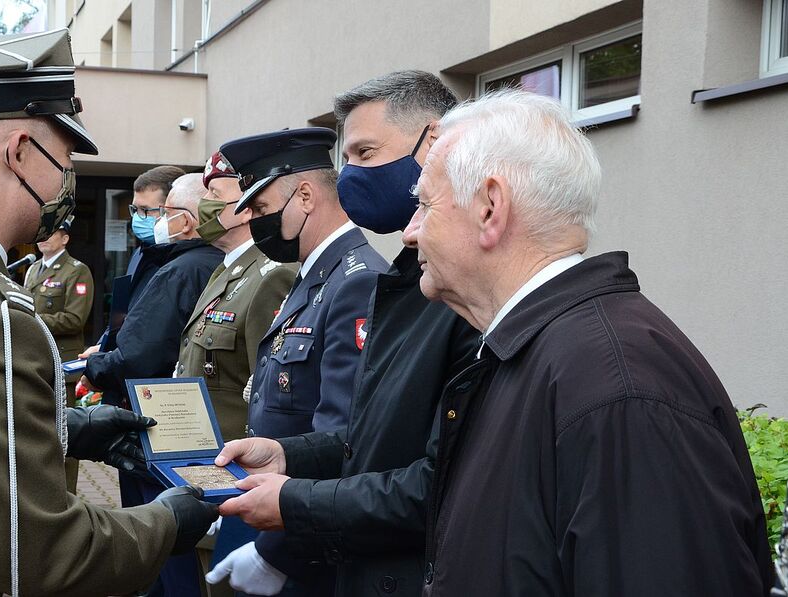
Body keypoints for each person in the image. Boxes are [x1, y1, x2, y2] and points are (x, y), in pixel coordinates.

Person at [0, 29, 218, 596]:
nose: (67, 180)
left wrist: (67, 430)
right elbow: (41, 556)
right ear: (19, 152)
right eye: (64, 159)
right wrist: (166, 522)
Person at [406, 88, 770, 595]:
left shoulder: (617, 387)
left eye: (425, 205)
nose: (410, 232)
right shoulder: (540, 356)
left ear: (490, 207)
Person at [214, 70, 478, 597]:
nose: (349, 174)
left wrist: (284, 537)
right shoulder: (407, 276)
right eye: (347, 156)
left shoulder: (446, 290)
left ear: (435, 142)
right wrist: (289, 456)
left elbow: (434, 477)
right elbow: (374, 436)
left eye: (364, 152)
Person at [207, 128, 388, 596]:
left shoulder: (356, 281)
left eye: (262, 209)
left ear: (305, 196)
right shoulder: (315, 275)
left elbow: (344, 440)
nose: (256, 223)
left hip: (305, 545)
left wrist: (276, 555)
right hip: (275, 511)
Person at [177, 152, 297, 597]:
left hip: (236, 472)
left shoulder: (270, 276)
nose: (204, 204)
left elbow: (268, 394)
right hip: (202, 464)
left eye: (215, 193)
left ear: (247, 207)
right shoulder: (227, 269)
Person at [82, 173, 223, 407]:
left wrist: (96, 369)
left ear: (186, 222)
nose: (158, 222)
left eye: (165, 214)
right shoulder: (207, 260)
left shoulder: (180, 270)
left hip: (158, 402)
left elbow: (140, 354)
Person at [24, 215, 94, 491]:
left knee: (65, 433)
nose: (43, 238)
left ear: (65, 238)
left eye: (51, 233)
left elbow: (75, 319)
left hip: (62, 364)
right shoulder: (33, 268)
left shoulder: (76, 271)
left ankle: (67, 494)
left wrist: (30, 318)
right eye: (42, 233)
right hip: (35, 359)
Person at [92, 165, 185, 353]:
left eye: (145, 210)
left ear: (171, 209)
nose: (137, 217)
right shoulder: (140, 253)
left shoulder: (188, 262)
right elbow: (124, 314)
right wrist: (102, 347)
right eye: (135, 209)